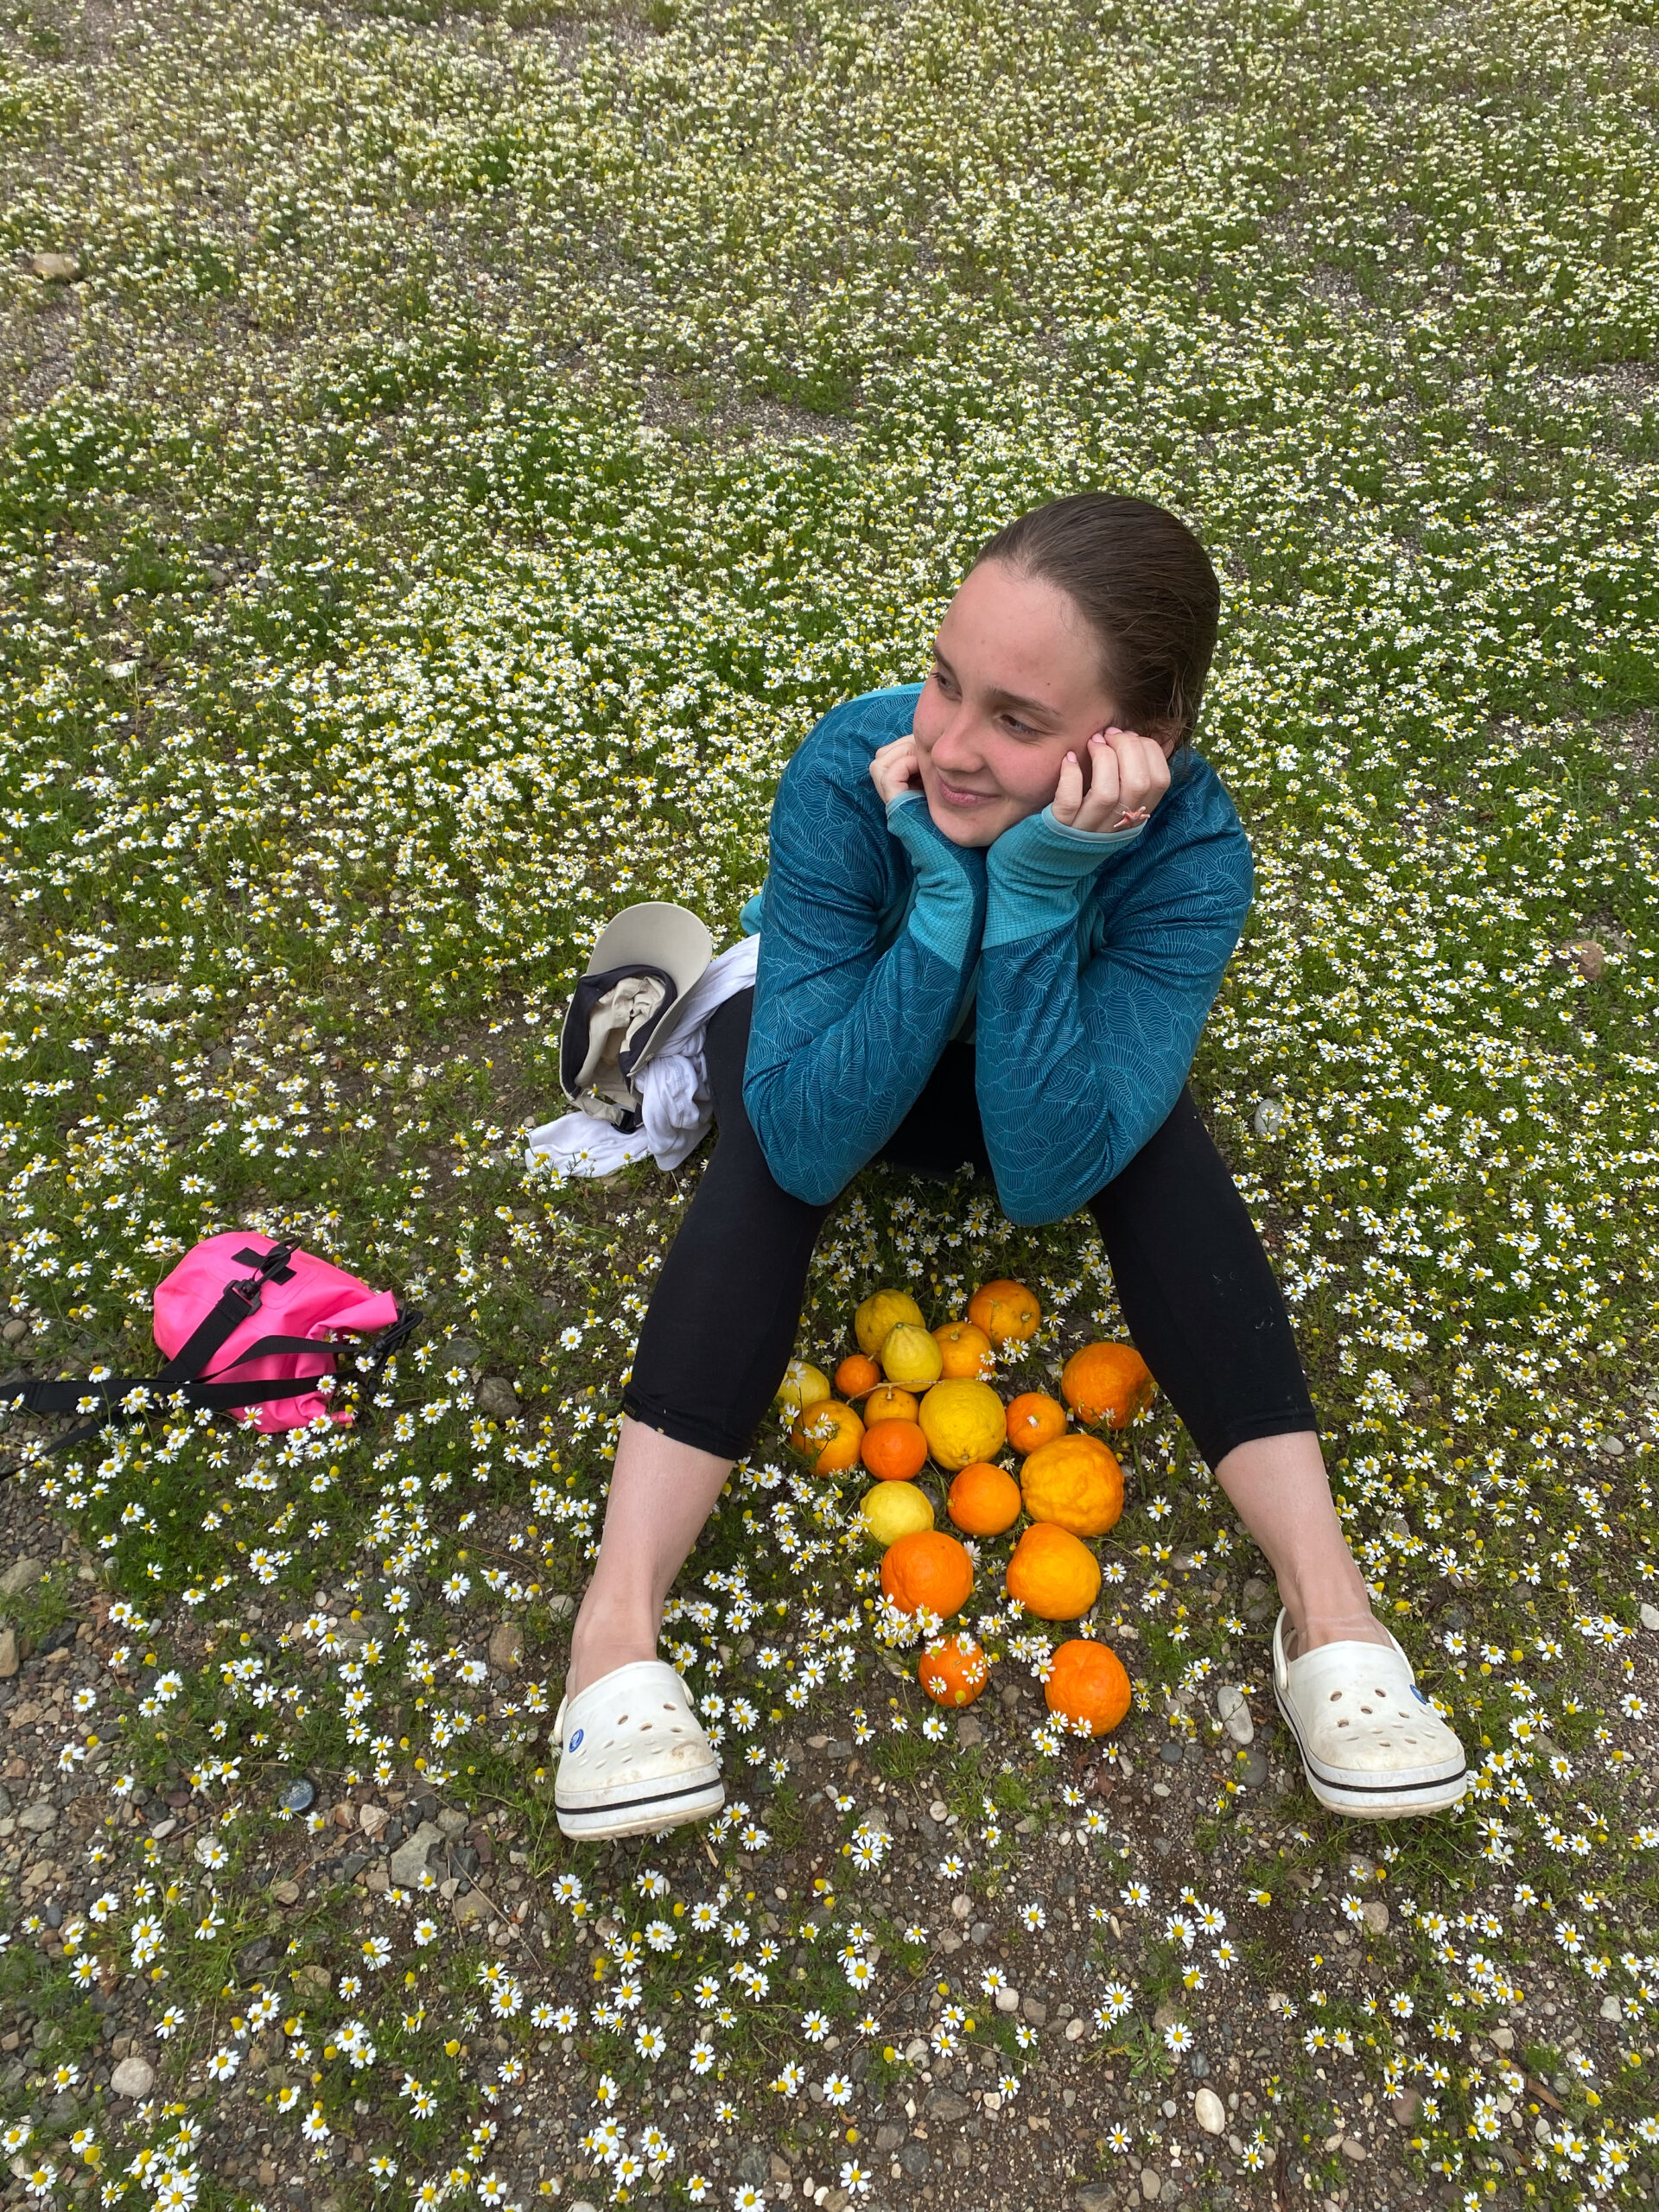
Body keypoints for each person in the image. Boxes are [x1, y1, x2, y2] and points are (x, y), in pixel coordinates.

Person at [552, 492, 1466, 1840]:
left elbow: (1045, 1179)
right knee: (762, 1151)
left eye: (1017, 720)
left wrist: (1035, 896)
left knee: (1159, 1144)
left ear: (1141, 742)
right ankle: (611, 1637)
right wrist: (937, 894)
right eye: (945, 680)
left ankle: (1331, 1617)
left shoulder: (1191, 856)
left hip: (1032, 1084)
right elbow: (807, 1143)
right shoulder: (852, 770)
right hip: (838, 1051)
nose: (947, 745)